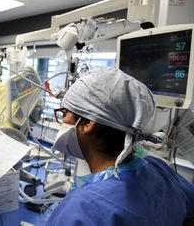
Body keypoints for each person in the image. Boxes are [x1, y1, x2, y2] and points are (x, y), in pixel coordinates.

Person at [47, 67, 194, 225]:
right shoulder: (160, 169)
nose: (62, 122)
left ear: (88, 123)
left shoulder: (81, 210)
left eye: (64, 114)